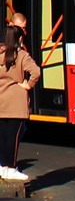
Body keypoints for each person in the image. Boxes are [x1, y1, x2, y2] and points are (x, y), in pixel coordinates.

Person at [0, 25, 41, 182]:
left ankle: (3, 167)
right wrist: (28, 84)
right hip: (16, 102)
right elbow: (36, 72)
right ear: (19, 39)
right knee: (13, 137)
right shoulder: (21, 55)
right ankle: (11, 168)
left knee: (2, 136)